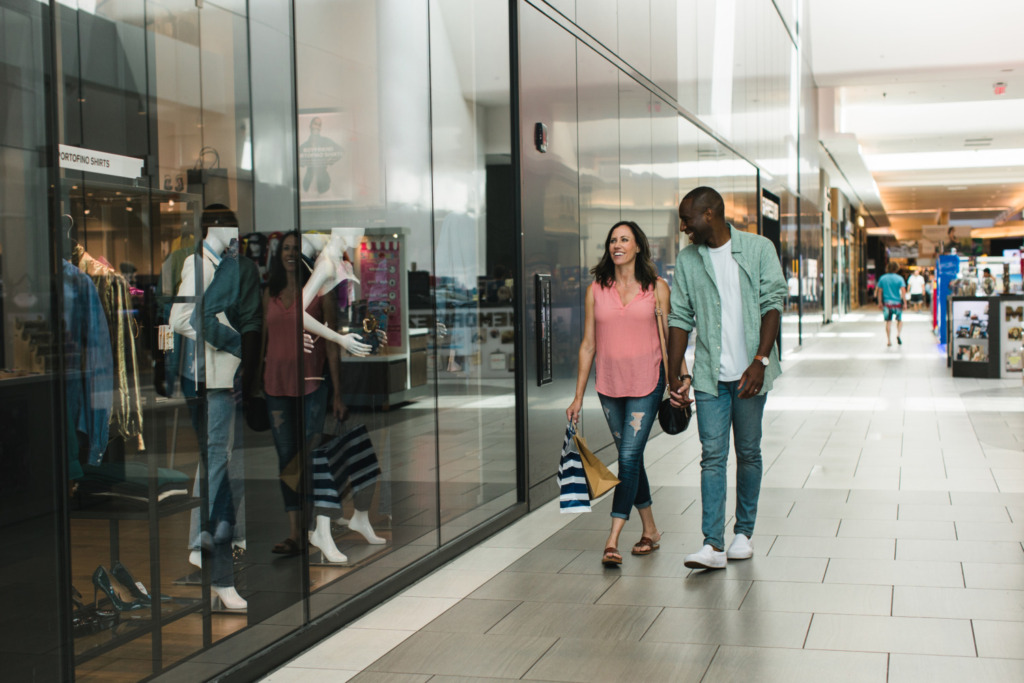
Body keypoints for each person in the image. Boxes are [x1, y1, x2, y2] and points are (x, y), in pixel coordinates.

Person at [666, 187, 786, 570]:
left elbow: (773, 304)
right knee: (712, 457)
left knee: (748, 452)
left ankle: (743, 534)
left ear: (711, 214)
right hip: (709, 376)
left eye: (688, 219)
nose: (683, 226)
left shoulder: (758, 249)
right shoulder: (688, 260)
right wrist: (675, 370)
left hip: (750, 374)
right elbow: (680, 317)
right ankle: (712, 544)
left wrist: (760, 359)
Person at [566, 220, 670, 567]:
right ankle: (651, 530)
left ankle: (612, 539)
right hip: (609, 386)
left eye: (624, 239)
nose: (617, 245)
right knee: (632, 458)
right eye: (612, 240)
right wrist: (578, 396)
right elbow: (588, 344)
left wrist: (680, 378)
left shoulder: (656, 288)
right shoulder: (597, 289)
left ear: (638, 246)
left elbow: (669, 340)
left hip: (647, 382)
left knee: (626, 458)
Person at [260, 232, 346, 558]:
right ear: (278, 254)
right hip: (275, 388)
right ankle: (295, 533)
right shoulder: (270, 293)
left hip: (312, 385)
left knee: (310, 459)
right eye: (286, 249)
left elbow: (333, 345)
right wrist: (255, 382)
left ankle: (316, 529)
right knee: (287, 461)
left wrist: (338, 393)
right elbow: (266, 343)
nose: (291, 254)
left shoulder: (319, 290)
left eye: (297, 249)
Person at [876, 261, 906, 346]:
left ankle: (889, 340)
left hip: (887, 304)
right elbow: (903, 291)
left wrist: (880, 302)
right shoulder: (899, 278)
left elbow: (879, 291)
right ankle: (898, 334)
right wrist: (905, 303)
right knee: (899, 320)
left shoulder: (883, 278)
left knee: (888, 322)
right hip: (897, 304)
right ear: (897, 269)